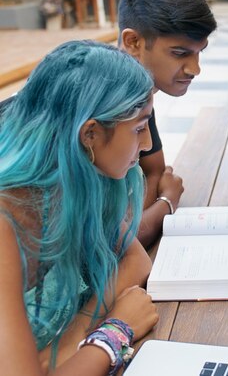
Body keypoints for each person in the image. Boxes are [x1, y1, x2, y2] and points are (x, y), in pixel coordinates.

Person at [0, 40, 159, 375]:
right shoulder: (5, 221)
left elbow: (135, 258)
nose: (146, 145)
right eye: (140, 128)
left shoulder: (78, 181)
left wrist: (75, 333)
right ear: (90, 134)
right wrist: (114, 332)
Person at [118, 0, 217, 247]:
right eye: (180, 53)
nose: (195, 68)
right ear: (133, 42)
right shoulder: (102, 105)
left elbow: (156, 171)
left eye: (199, 52)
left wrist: (139, 217)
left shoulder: (137, 92)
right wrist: (165, 203)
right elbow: (119, 242)